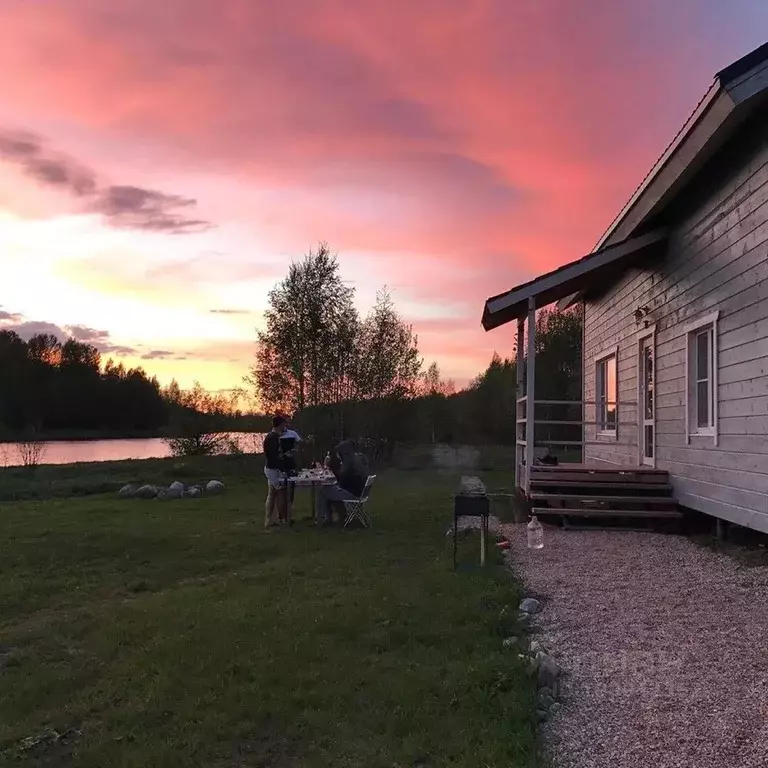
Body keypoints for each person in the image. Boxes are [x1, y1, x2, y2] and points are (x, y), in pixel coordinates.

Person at [319, 439, 369, 526]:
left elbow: (342, 480)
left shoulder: (350, 463)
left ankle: (323, 519)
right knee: (330, 490)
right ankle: (340, 515)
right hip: (361, 493)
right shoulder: (358, 459)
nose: (339, 455)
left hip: (354, 494)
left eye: (340, 453)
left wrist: (328, 467)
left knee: (324, 491)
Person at [263, 415, 288, 528]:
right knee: (280, 492)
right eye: (284, 424)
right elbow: (273, 456)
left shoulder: (273, 437)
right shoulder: (272, 438)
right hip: (273, 469)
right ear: (280, 425)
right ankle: (281, 518)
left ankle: (269, 520)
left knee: (272, 494)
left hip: (271, 468)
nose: (285, 426)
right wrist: (282, 467)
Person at [278, 417, 301, 522]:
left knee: (291, 489)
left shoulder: (293, 434)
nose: (286, 425)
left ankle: (289, 515)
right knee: (281, 490)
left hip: (291, 462)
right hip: (280, 464)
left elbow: (300, 445)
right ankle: (282, 515)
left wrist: (294, 451)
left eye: (287, 423)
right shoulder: (276, 435)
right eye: (284, 423)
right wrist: (282, 454)